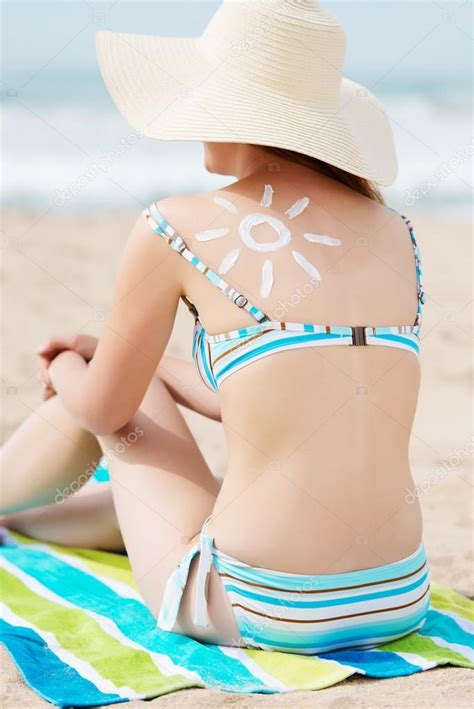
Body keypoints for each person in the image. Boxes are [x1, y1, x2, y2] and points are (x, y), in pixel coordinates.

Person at [0, 0, 430, 654]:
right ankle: (25, 517)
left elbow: (103, 410)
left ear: (232, 108)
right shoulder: (396, 232)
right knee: (140, 395)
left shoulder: (175, 225)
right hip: (399, 594)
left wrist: (66, 364)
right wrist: (102, 351)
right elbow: (279, 390)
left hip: (260, 604)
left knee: (118, 396)